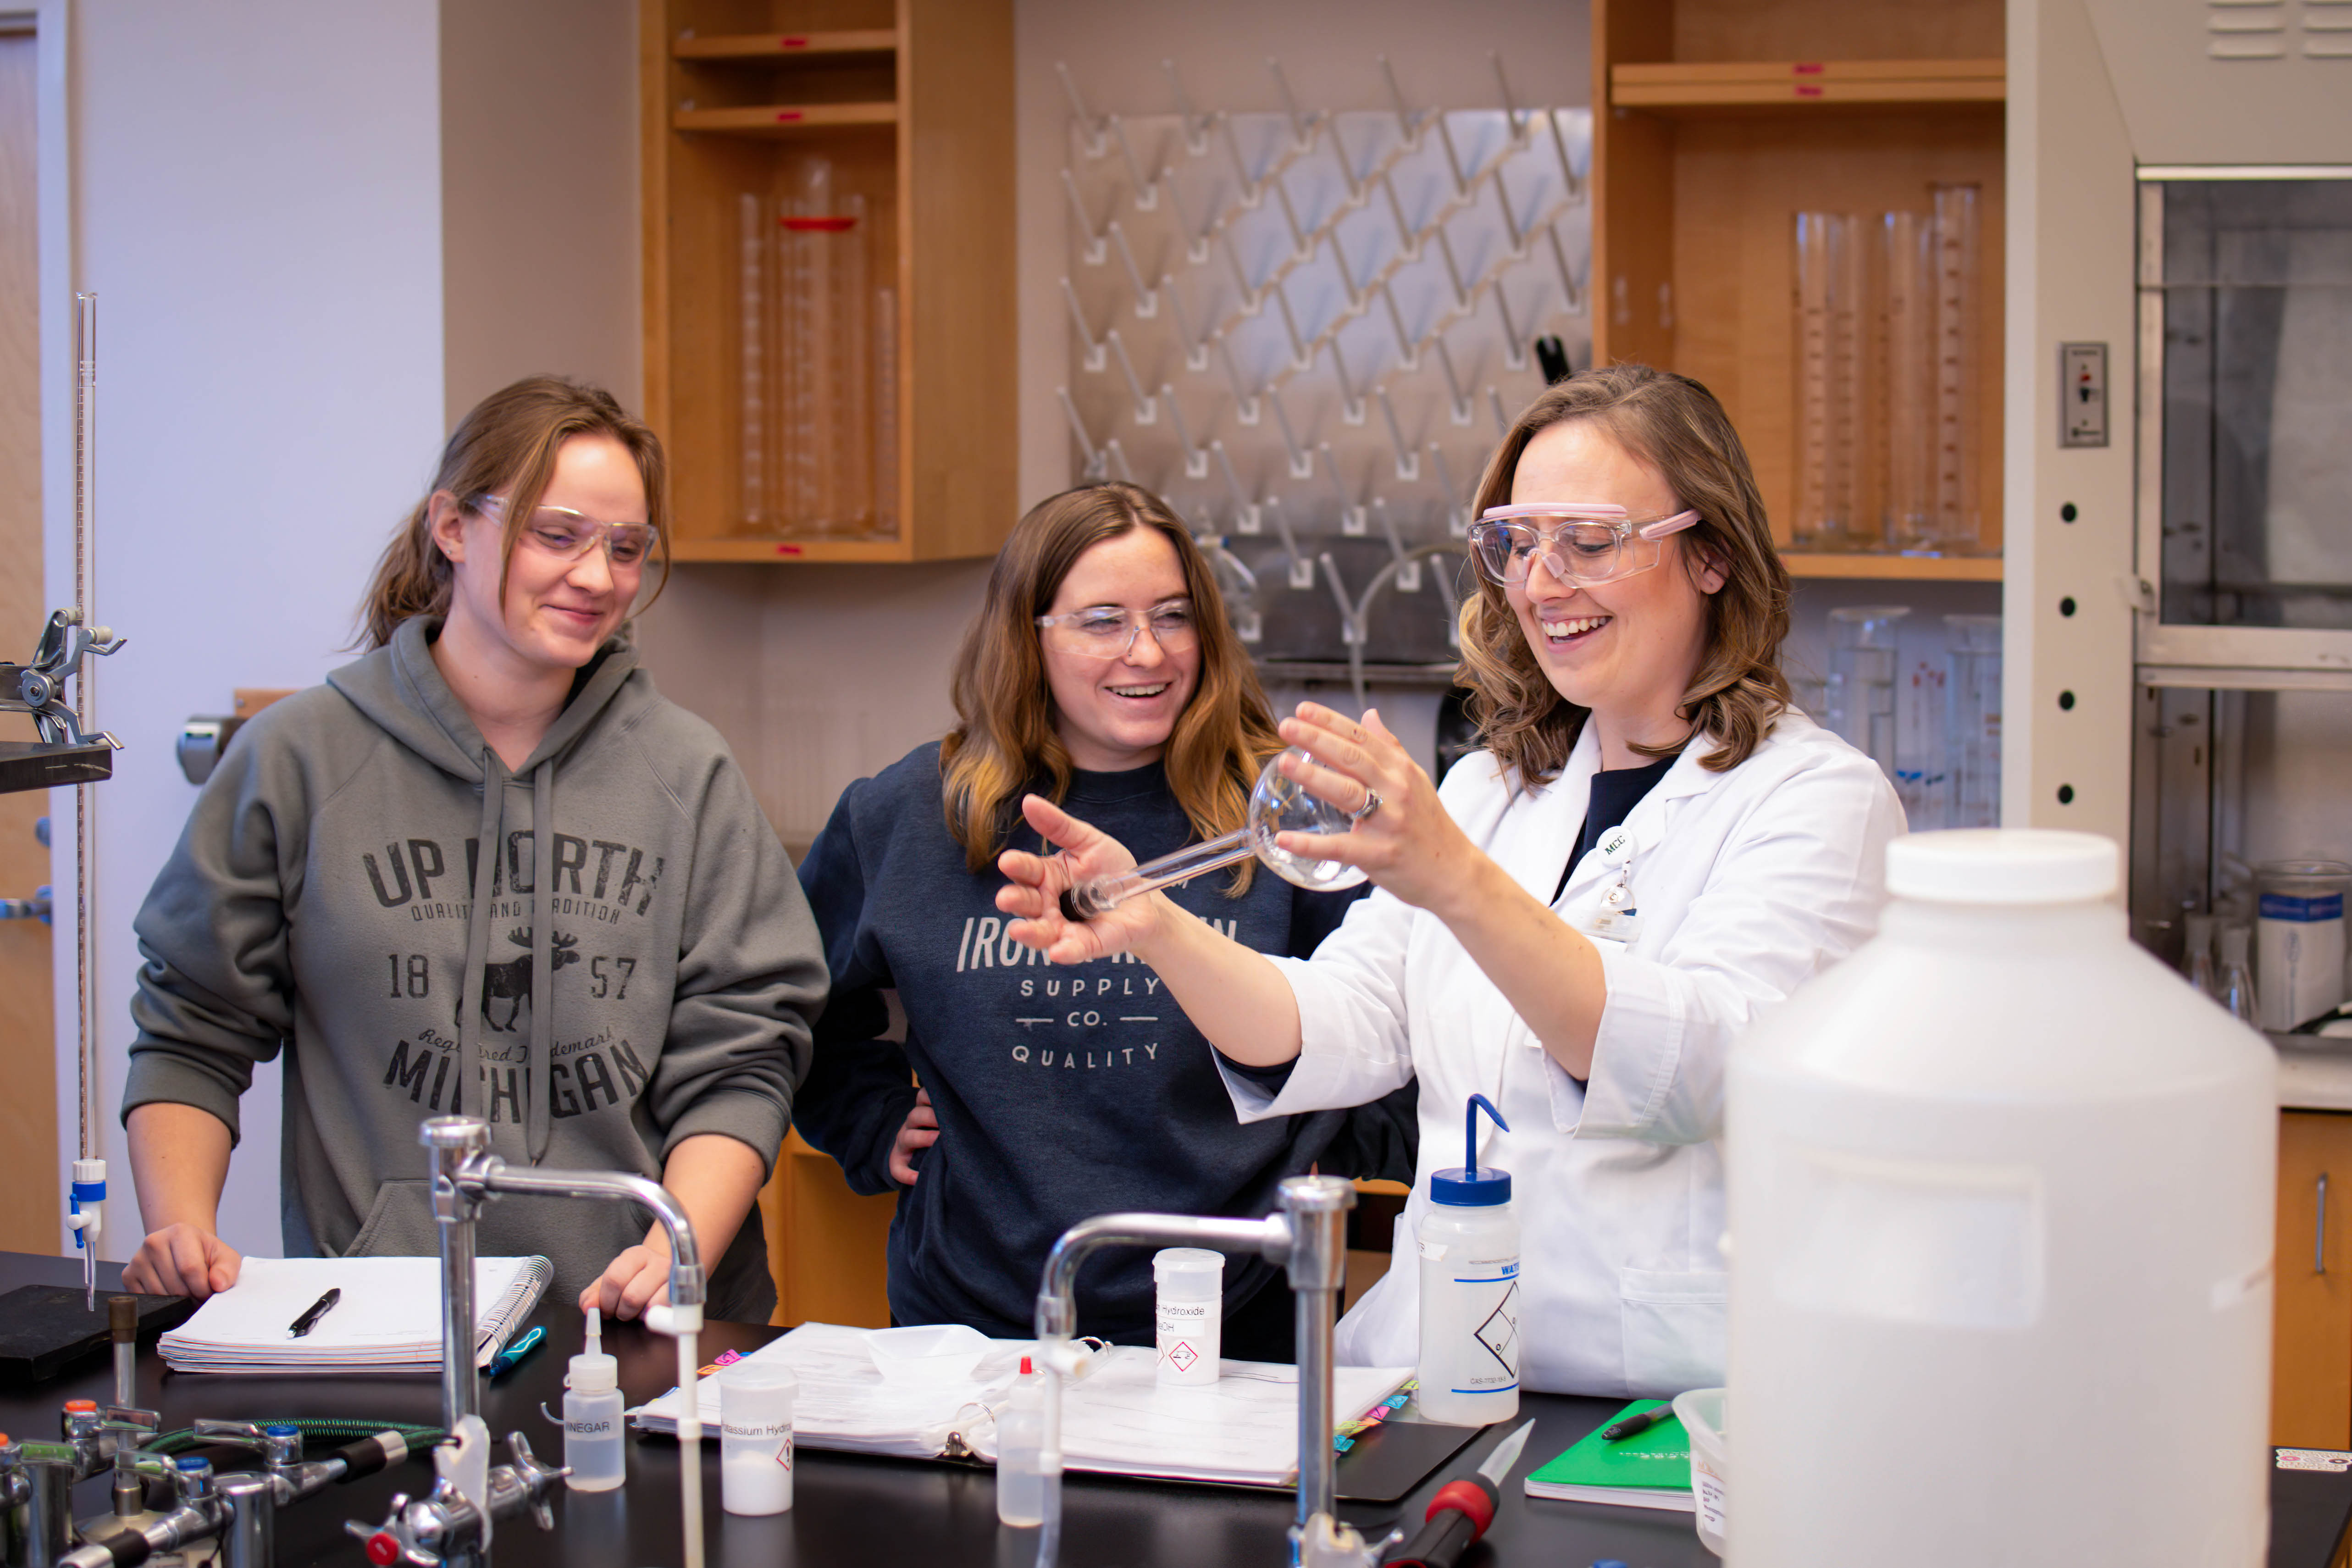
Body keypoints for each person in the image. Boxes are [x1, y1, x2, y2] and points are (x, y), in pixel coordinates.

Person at [997, 367, 1906, 1396]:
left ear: (1709, 555)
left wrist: (1454, 880)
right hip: (1436, 1370)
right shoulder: (1492, 791)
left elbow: (1698, 1073)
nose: (1541, 583)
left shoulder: (1819, 800)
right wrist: (1159, 929)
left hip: (1648, 1386)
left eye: (1590, 541)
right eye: (1518, 544)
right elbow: (1340, 1026)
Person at [119, 375, 826, 1325]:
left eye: (626, 549)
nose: (597, 577)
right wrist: (183, 1232)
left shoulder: (686, 770)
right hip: (385, 1320)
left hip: (638, 1319)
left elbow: (745, 1051)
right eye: (558, 533)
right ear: (451, 526)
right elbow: (193, 1025)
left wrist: (678, 1247)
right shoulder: (299, 758)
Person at [791, 482, 1413, 1359]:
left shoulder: (1285, 820)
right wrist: (867, 1117)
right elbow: (790, 1012)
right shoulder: (905, 816)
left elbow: (1401, 1032)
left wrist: (1323, 1150)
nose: (1148, 652)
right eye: (1102, 621)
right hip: (969, 1325)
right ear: (1028, 635)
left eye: (1172, 616)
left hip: (1235, 1318)